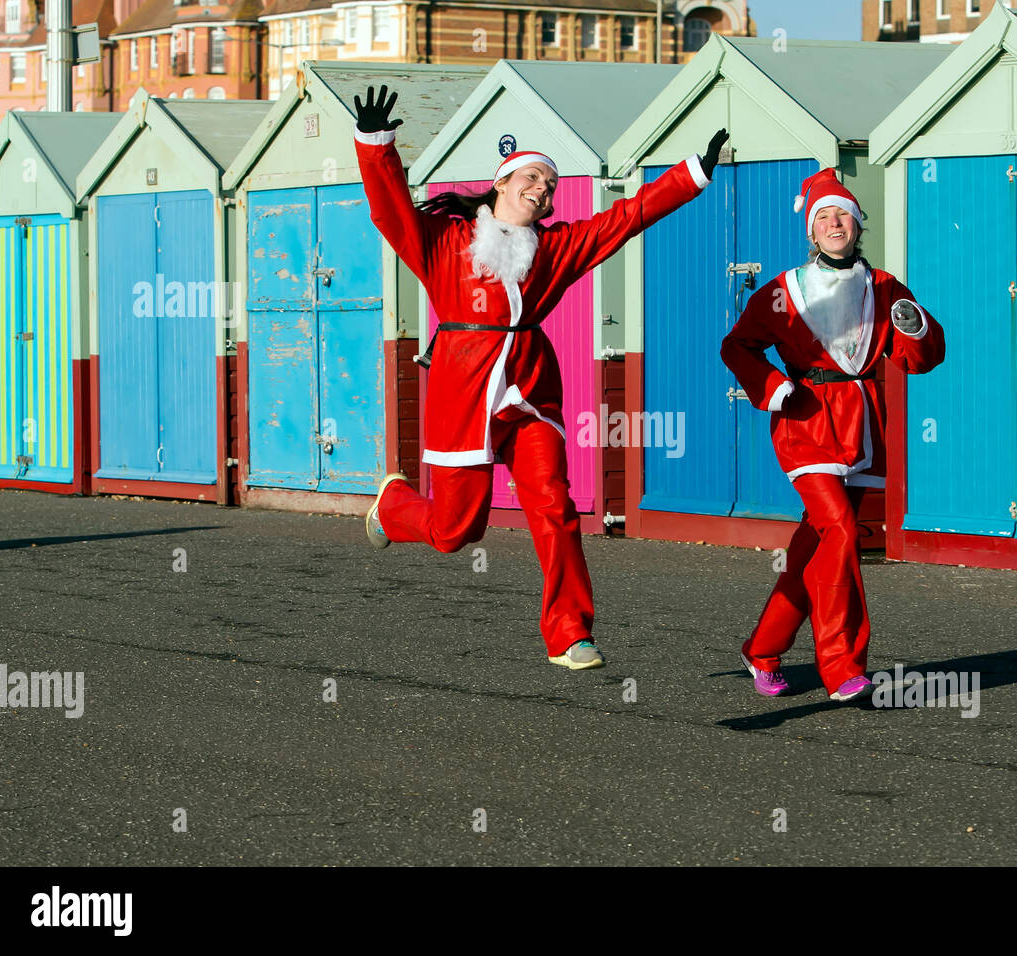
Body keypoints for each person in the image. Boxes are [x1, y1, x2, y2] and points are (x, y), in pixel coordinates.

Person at [353, 84, 727, 671]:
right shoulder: (443, 243)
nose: (541, 189)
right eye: (530, 178)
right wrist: (376, 146)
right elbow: (390, 208)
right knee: (456, 532)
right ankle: (394, 504)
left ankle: (570, 633)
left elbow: (625, 218)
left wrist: (692, 173)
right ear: (501, 184)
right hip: (462, 395)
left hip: (529, 394)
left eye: (549, 185)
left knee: (554, 503)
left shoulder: (555, 248)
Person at [720, 168, 946, 701]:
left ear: (858, 223)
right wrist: (772, 387)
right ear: (810, 231)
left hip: (863, 419)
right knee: (842, 531)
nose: (833, 222)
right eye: (822, 216)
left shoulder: (886, 286)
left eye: (842, 213)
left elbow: (920, 359)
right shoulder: (784, 290)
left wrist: (917, 329)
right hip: (805, 418)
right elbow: (737, 346)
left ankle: (763, 648)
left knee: (815, 543)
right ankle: (842, 666)